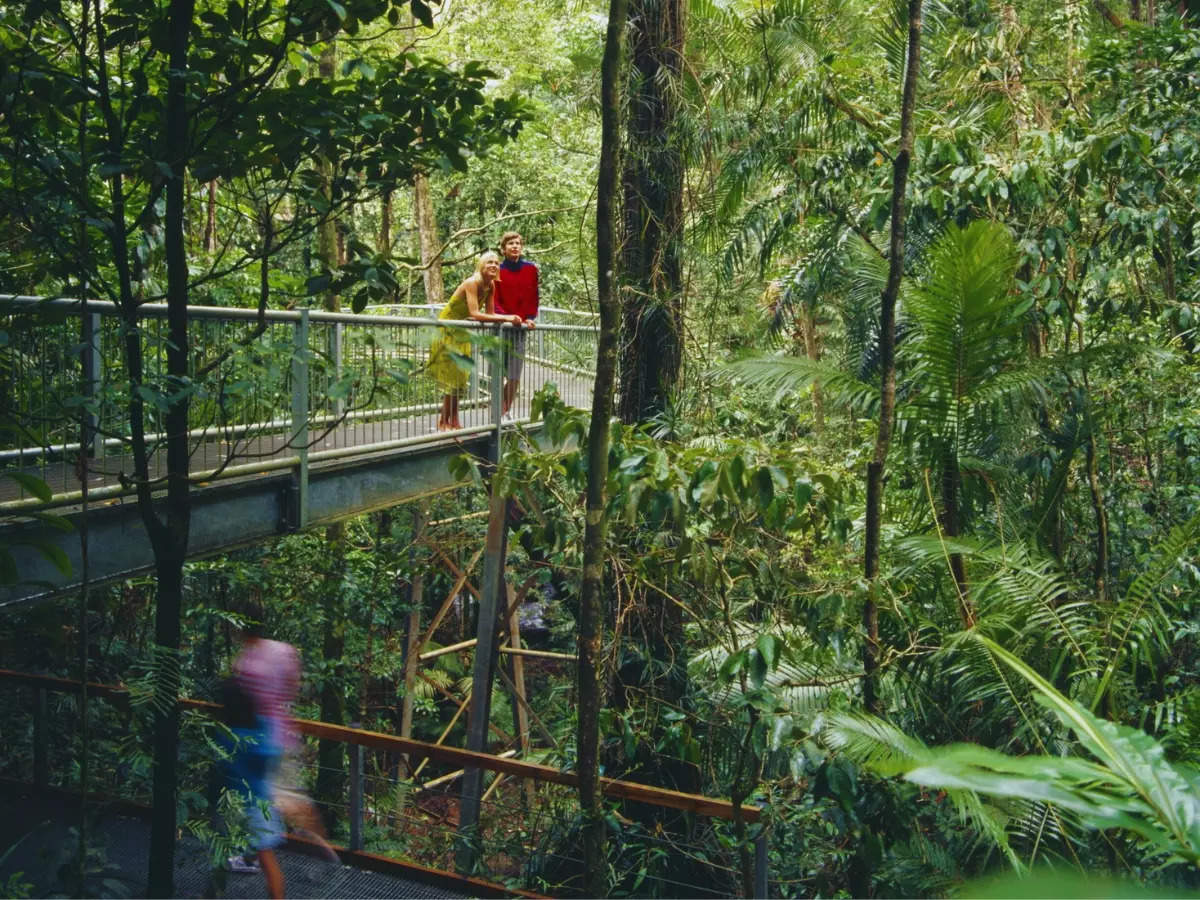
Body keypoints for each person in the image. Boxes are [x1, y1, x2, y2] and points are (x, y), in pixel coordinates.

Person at [221, 607, 301, 899]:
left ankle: (259, 847)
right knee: (264, 798)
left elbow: (241, 693)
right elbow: (292, 687)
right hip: (275, 734)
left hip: (256, 733)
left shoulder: (246, 660)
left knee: (255, 808)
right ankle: (252, 853)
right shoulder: (284, 651)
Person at [429, 250, 522, 431]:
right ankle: (443, 422)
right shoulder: (472, 283)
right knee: (452, 379)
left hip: (461, 331)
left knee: (461, 378)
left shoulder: (491, 286)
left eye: (496, 263)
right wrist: (508, 318)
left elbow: (489, 314)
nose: (494, 266)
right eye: (489, 263)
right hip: (447, 329)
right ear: (481, 266)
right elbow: (474, 313)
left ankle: (454, 422)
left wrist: (509, 317)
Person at [493, 232, 539, 420]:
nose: (515, 246)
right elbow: (494, 299)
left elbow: (533, 296)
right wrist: (506, 317)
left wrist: (529, 317)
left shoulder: (530, 269)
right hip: (500, 326)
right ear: (503, 248)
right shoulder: (497, 270)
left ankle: (505, 411)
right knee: (497, 372)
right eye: (511, 243)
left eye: (518, 243)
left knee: (514, 374)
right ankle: (498, 410)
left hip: (520, 328)